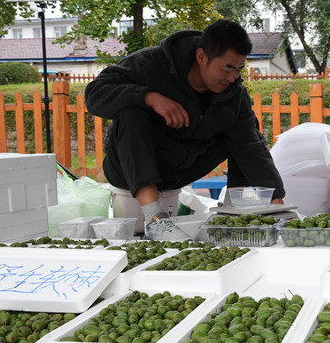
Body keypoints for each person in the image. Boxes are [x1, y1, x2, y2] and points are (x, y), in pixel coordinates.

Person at [86, 19, 285, 240]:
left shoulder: (233, 93)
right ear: (201, 57)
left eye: (239, 69)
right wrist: (149, 97)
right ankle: (155, 220)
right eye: (227, 68)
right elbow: (95, 95)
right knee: (132, 114)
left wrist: (277, 202)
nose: (232, 78)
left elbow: (250, 147)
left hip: (178, 171)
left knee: (245, 130)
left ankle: (231, 213)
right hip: (127, 170)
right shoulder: (149, 64)